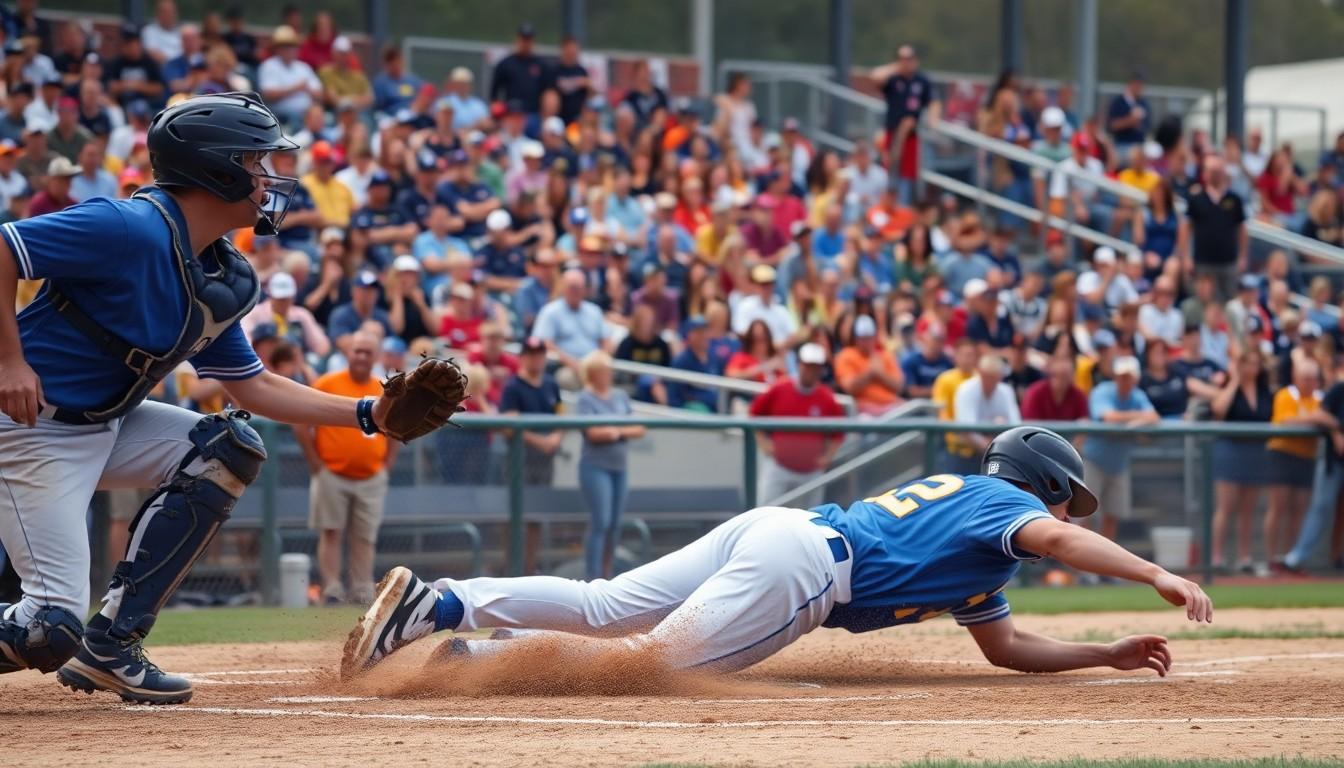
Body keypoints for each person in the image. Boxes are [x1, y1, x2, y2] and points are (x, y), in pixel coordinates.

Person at [0, 93, 459, 705]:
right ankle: (75, 637)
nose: (271, 177)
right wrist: (9, 359)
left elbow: (253, 385)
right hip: (26, 430)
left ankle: (112, 646)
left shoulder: (224, 273)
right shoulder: (127, 225)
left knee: (226, 445)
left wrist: (368, 415)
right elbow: (4, 247)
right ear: (213, 167)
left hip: (98, 425)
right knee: (46, 629)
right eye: (256, 160)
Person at [343, 426, 1213, 682]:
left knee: (608, 604)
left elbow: (1007, 648)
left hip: (782, 531)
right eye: (1062, 491)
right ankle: (471, 655)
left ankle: (443, 604)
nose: (1063, 509)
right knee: (650, 665)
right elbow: (1056, 533)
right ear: (1038, 480)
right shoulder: (1010, 505)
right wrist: (1156, 573)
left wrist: (1106, 653)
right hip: (807, 569)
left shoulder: (977, 540)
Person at [293, 331, 397, 605]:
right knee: (331, 531)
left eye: (367, 352)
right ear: (348, 353)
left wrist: (387, 465)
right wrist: (315, 464)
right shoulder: (327, 382)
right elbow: (301, 422)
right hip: (331, 472)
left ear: (376, 357)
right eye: (357, 351)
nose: (362, 356)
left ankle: (362, 590)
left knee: (365, 536)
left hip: (372, 475)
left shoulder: (384, 388)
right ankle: (332, 590)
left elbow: (398, 428)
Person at [749, 343, 845, 507]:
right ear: (799, 364)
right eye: (808, 366)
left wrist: (828, 456)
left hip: (810, 471)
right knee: (764, 515)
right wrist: (764, 443)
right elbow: (754, 414)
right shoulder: (780, 388)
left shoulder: (827, 398)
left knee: (811, 520)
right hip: (779, 466)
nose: (811, 371)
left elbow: (839, 431)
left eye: (815, 367)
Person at [576, 350, 642, 581]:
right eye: (602, 371)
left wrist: (614, 431)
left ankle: (607, 574)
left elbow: (639, 428)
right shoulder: (585, 398)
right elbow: (593, 433)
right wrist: (619, 430)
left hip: (619, 467)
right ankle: (593, 577)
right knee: (601, 521)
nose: (607, 375)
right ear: (592, 374)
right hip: (595, 466)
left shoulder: (620, 396)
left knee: (614, 524)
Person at [500, 337, 562, 574]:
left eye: (539, 353)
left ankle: (529, 567)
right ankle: (511, 566)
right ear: (523, 356)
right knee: (515, 515)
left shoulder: (551, 385)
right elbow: (508, 424)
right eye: (531, 353)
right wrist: (542, 441)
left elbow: (560, 415)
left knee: (538, 515)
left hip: (545, 461)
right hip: (520, 460)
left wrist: (555, 438)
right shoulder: (513, 386)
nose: (535, 358)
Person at [1083, 355, 1159, 542]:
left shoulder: (1138, 395)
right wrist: (1136, 418)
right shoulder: (1102, 391)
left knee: (1112, 515)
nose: (1124, 380)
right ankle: (1084, 569)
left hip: (1119, 465)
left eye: (1128, 376)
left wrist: (1135, 420)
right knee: (1085, 514)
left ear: (1135, 378)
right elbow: (1108, 417)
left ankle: (1103, 566)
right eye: (1121, 376)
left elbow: (1154, 417)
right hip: (1094, 462)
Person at [1264, 359, 1328, 574]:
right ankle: (1270, 559)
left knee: (1299, 511)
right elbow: (1287, 421)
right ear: (1296, 378)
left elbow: (1325, 418)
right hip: (1282, 454)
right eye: (1305, 378)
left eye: (1313, 379)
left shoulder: (1319, 398)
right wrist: (1314, 418)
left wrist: (1313, 419)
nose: (1309, 383)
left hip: (1306, 457)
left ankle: (1291, 560)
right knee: (1278, 507)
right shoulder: (1286, 395)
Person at [1285, 375, 1344, 572]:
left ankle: (1337, 557)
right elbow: (1319, 414)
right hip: (1333, 462)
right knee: (1321, 507)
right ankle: (1295, 558)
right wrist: (1337, 430)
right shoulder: (1339, 389)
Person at [870, 45, 938, 204]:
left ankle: (903, 208)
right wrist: (897, 66)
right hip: (891, 134)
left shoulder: (921, 81)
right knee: (888, 172)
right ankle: (888, 206)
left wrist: (933, 121)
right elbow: (875, 76)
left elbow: (933, 101)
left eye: (908, 59)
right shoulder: (894, 79)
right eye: (902, 59)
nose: (905, 63)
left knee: (906, 178)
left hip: (910, 137)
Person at [1178, 155, 1248, 302]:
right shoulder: (1196, 198)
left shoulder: (1234, 199)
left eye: (1218, 170)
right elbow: (1185, 228)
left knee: (1229, 303)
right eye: (1211, 170)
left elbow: (1241, 229)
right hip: (1203, 262)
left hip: (1228, 262)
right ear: (1205, 173)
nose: (1215, 174)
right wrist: (1186, 257)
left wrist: (1242, 256)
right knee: (1203, 302)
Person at [834, 315, 903, 415]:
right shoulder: (846, 356)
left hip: (891, 406)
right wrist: (870, 373)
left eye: (869, 337)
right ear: (856, 338)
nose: (866, 342)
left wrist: (880, 374)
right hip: (862, 410)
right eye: (862, 338)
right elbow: (849, 387)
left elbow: (899, 386)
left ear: (875, 337)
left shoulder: (885, 356)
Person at [953, 354, 1021, 456]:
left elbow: (1015, 423)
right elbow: (967, 429)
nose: (989, 380)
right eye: (986, 376)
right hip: (965, 453)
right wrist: (990, 445)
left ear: (1000, 376)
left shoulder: (1007, 391)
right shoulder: (966, 389)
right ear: (980, 373)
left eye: (993, 377)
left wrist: (995, 444)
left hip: (998, 451)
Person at [257, 25, 322, 128]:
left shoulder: (304, 67)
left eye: (292, 46)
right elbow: (268, 94)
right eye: (285, 46)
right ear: (277, 48)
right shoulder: (269, 66)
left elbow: (319, 94)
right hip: (281, 117)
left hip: (308, 114)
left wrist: (307, 89)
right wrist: (296, 88)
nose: (290, 49)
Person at [932, 337, 981, 474]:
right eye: (964, 355)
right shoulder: (945, 379)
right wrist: (960, 434)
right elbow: (941, 413)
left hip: (980, 447)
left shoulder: (981, 378)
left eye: (970, 355)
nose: (967, 359)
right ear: (956, 357)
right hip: (954, 448)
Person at [1021, 355, 1089, 422]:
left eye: (1065, 377)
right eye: (1057, 376)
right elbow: (1030, 425)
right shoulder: (1035, 393)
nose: (1061, 381)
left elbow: (1084, 425)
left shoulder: (1079, 395)